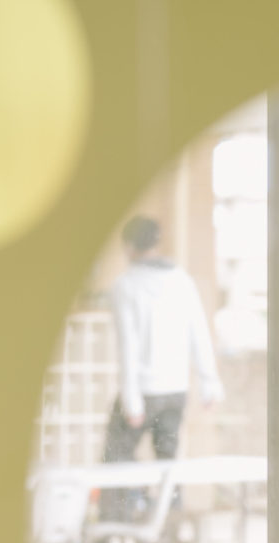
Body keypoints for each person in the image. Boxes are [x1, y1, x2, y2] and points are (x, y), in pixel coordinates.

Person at [99, 215, 223, 522]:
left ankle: (115, 527)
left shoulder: (125, 286)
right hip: (175, 390)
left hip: (142, 390)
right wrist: (210, 384)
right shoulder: (182, 280)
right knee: (168, 463)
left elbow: (128, 346)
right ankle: (169, 529)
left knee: (116, 459)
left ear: (128, 246)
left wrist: (131, 401)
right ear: (157, 243)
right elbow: (199, 333)